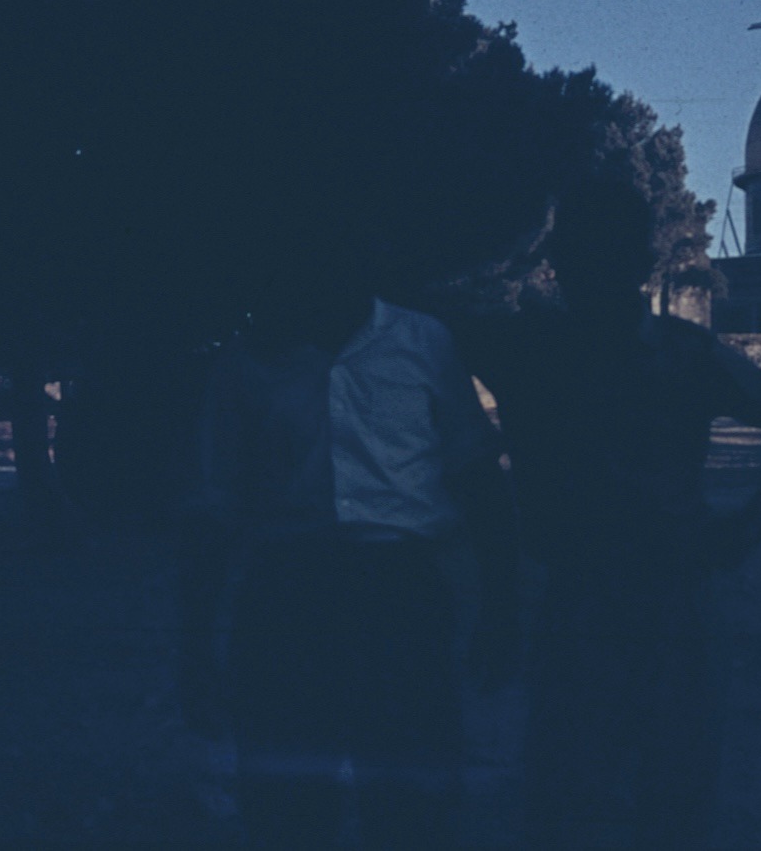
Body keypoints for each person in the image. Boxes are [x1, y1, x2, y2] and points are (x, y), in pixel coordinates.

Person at [463, 178, 761, 851]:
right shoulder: (673, 355)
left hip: (630, 603)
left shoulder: (531, 352)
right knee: (619, 797)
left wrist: (742, 534)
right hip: (645, 600)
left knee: (619, 796)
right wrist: (740, 535)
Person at [177, 245, 516, 849]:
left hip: (399, 593)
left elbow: (476, 474)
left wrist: (503, 603)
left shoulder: (424, 343)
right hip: (288, 596)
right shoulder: (247, 362)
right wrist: (196, 642)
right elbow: (213, 508)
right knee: (286, 803)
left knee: (413, 798)